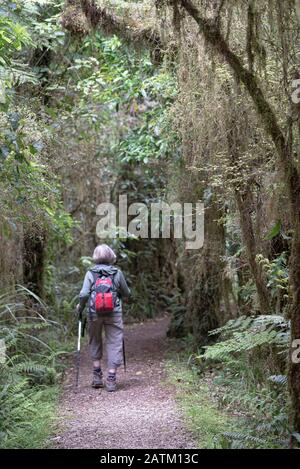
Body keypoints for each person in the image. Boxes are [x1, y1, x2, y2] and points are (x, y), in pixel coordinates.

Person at [77, 244, 130, 392]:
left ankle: (97, 375)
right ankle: (111, 378)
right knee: (115, 342)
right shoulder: (117, 273)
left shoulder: (90, 273)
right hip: (114, 313)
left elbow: (83, 294)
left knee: (95, 339)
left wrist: (80, 307)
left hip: (94, 313)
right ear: (111, 256)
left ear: (95, 257)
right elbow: (127, 293)